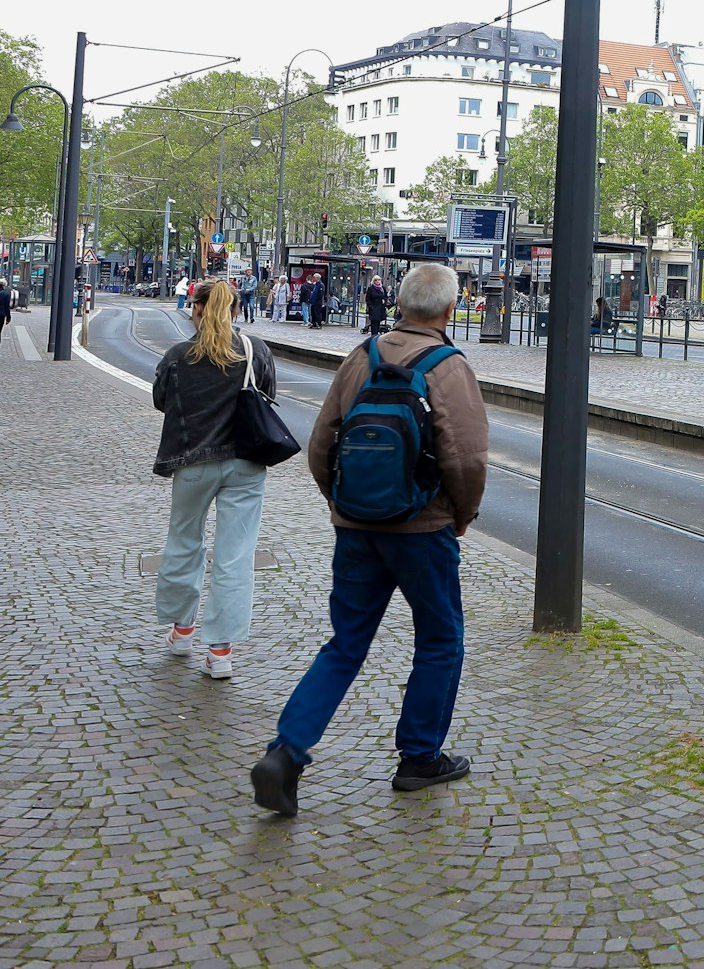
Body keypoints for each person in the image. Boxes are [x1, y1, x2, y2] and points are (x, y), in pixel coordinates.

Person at [251, 263, 489, 817]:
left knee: (345, 643)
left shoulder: (361, 356)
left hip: (356, 529)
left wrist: (342, 503)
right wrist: (462, 515)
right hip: (423, 530)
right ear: (450, 309)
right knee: (440, 638)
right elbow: (467, 459)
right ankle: (420, 758)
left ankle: (286, 753)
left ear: (399, 304)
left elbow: (321, 445)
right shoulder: (449, 366)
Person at [151, 277, 278, 681]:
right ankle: (221, 653)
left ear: (197, 308)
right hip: (245, 463)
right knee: (236, 555)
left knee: (184, 540)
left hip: (193, 461)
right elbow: (269, 394)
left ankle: (182, 631)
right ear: (236, 310)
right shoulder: (255, 350)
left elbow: (160, 400)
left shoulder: (178, 355)